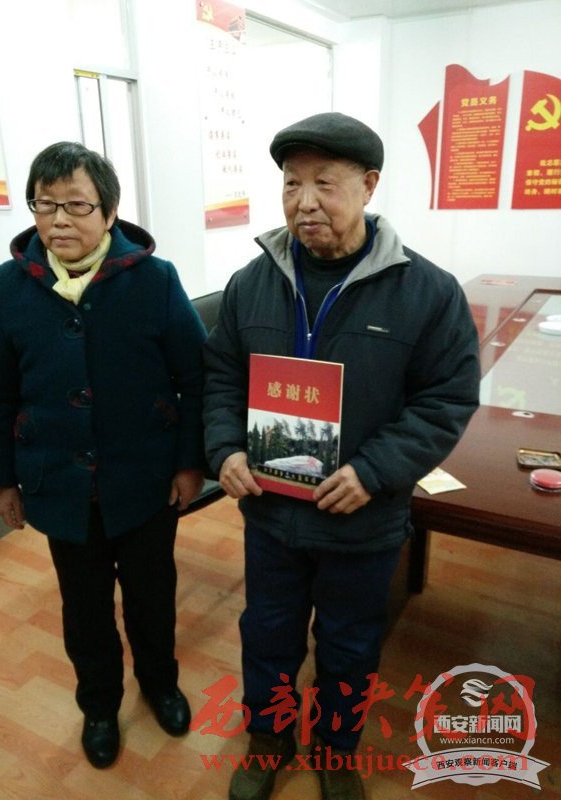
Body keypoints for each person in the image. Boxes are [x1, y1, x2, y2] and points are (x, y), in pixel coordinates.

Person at [203, 112, 481, 800]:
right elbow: (222, 377)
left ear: (369, 185)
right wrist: (225, 448)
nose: (304, 202)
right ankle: (269, 740)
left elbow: (446, 398)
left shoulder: (428, 292)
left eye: (324, 183)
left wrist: (375, 470)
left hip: (363, 519)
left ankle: (335, 749)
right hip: (271, 513)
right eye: (291, 184)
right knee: (267, 635)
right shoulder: (252, 283)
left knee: (351, 645)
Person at [0, 142, 207, 769]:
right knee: (84, 607)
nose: (59, 220)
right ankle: (99, 704)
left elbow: (195, 376)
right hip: (59, 482)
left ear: (109, 211)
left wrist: (190, 463)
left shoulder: (154, 280)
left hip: (146, 480)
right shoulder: (9, 285)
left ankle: (160, 683)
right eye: (45, 204)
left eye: (77, 205)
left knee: (152, 595)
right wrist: (3, 480)